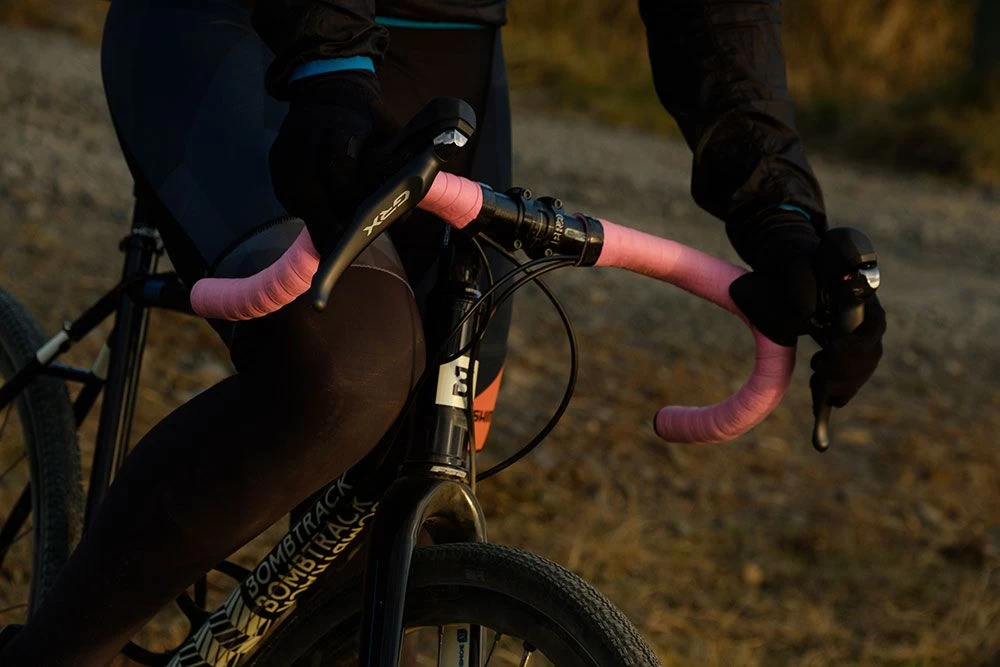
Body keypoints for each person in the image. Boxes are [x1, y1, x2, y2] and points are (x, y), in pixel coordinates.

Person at [0, 0, 886, 664]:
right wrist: (324, 62)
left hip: (445, 53)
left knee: (428, 436)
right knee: (351, 366)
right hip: (235, 29)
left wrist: (779, 215)